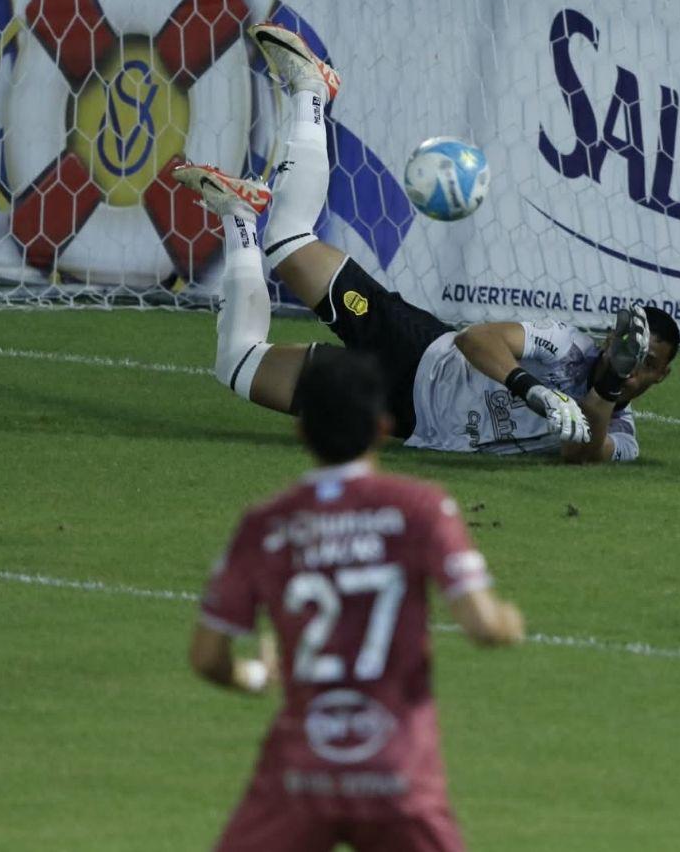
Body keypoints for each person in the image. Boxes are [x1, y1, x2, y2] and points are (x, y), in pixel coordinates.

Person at [173, 24, 680, 464]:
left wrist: (608, 388)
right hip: (415, 350)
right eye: (630, 350)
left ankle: (239, 217)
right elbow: (475, 339)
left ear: (663, 376)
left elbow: (582, 454)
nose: (637, 367)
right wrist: (534, 390)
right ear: (610, 340)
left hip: (397, 416)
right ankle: (312, 90)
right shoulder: (567, 345)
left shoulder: (622, 433)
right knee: (286, 241)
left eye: (648, 363)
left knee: (237, 364)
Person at [189, 350, 525, 852]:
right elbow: (481, 625)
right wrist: (507, 622)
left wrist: (255, 675)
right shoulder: (421, 508)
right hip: (396, 772)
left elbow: (206, 657)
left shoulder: (265, 525)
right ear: (382, 428)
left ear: (301, 432)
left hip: (301, 778)